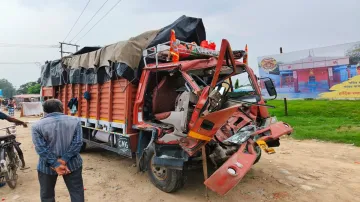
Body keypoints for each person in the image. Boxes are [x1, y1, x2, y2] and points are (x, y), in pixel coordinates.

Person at [31, 99, 84, 202]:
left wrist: (55, 164)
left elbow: (41, 149)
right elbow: (78, 143)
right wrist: (63, 160)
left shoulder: (37, 126)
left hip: (46, 166)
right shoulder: (75, 121)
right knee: (77, 192)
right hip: (72, 164)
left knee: (47, 196)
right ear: (61, 108)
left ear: (44, 110)